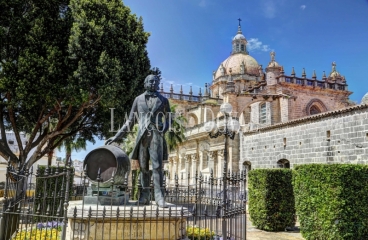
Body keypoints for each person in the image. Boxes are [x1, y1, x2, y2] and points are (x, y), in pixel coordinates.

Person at [106, 75, 171, 208]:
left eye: (156, 81)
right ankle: (144, 196)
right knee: (143, 168)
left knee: (158, 167)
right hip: (142, 137)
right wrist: (116, 137)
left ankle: (159, 197)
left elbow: (169, 118)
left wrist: (163, 130)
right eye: (151, 81)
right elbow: (130, 121)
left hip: (156, 135)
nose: (153, 83)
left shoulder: (163, 100)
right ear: (145, 83)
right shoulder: (138, 99)